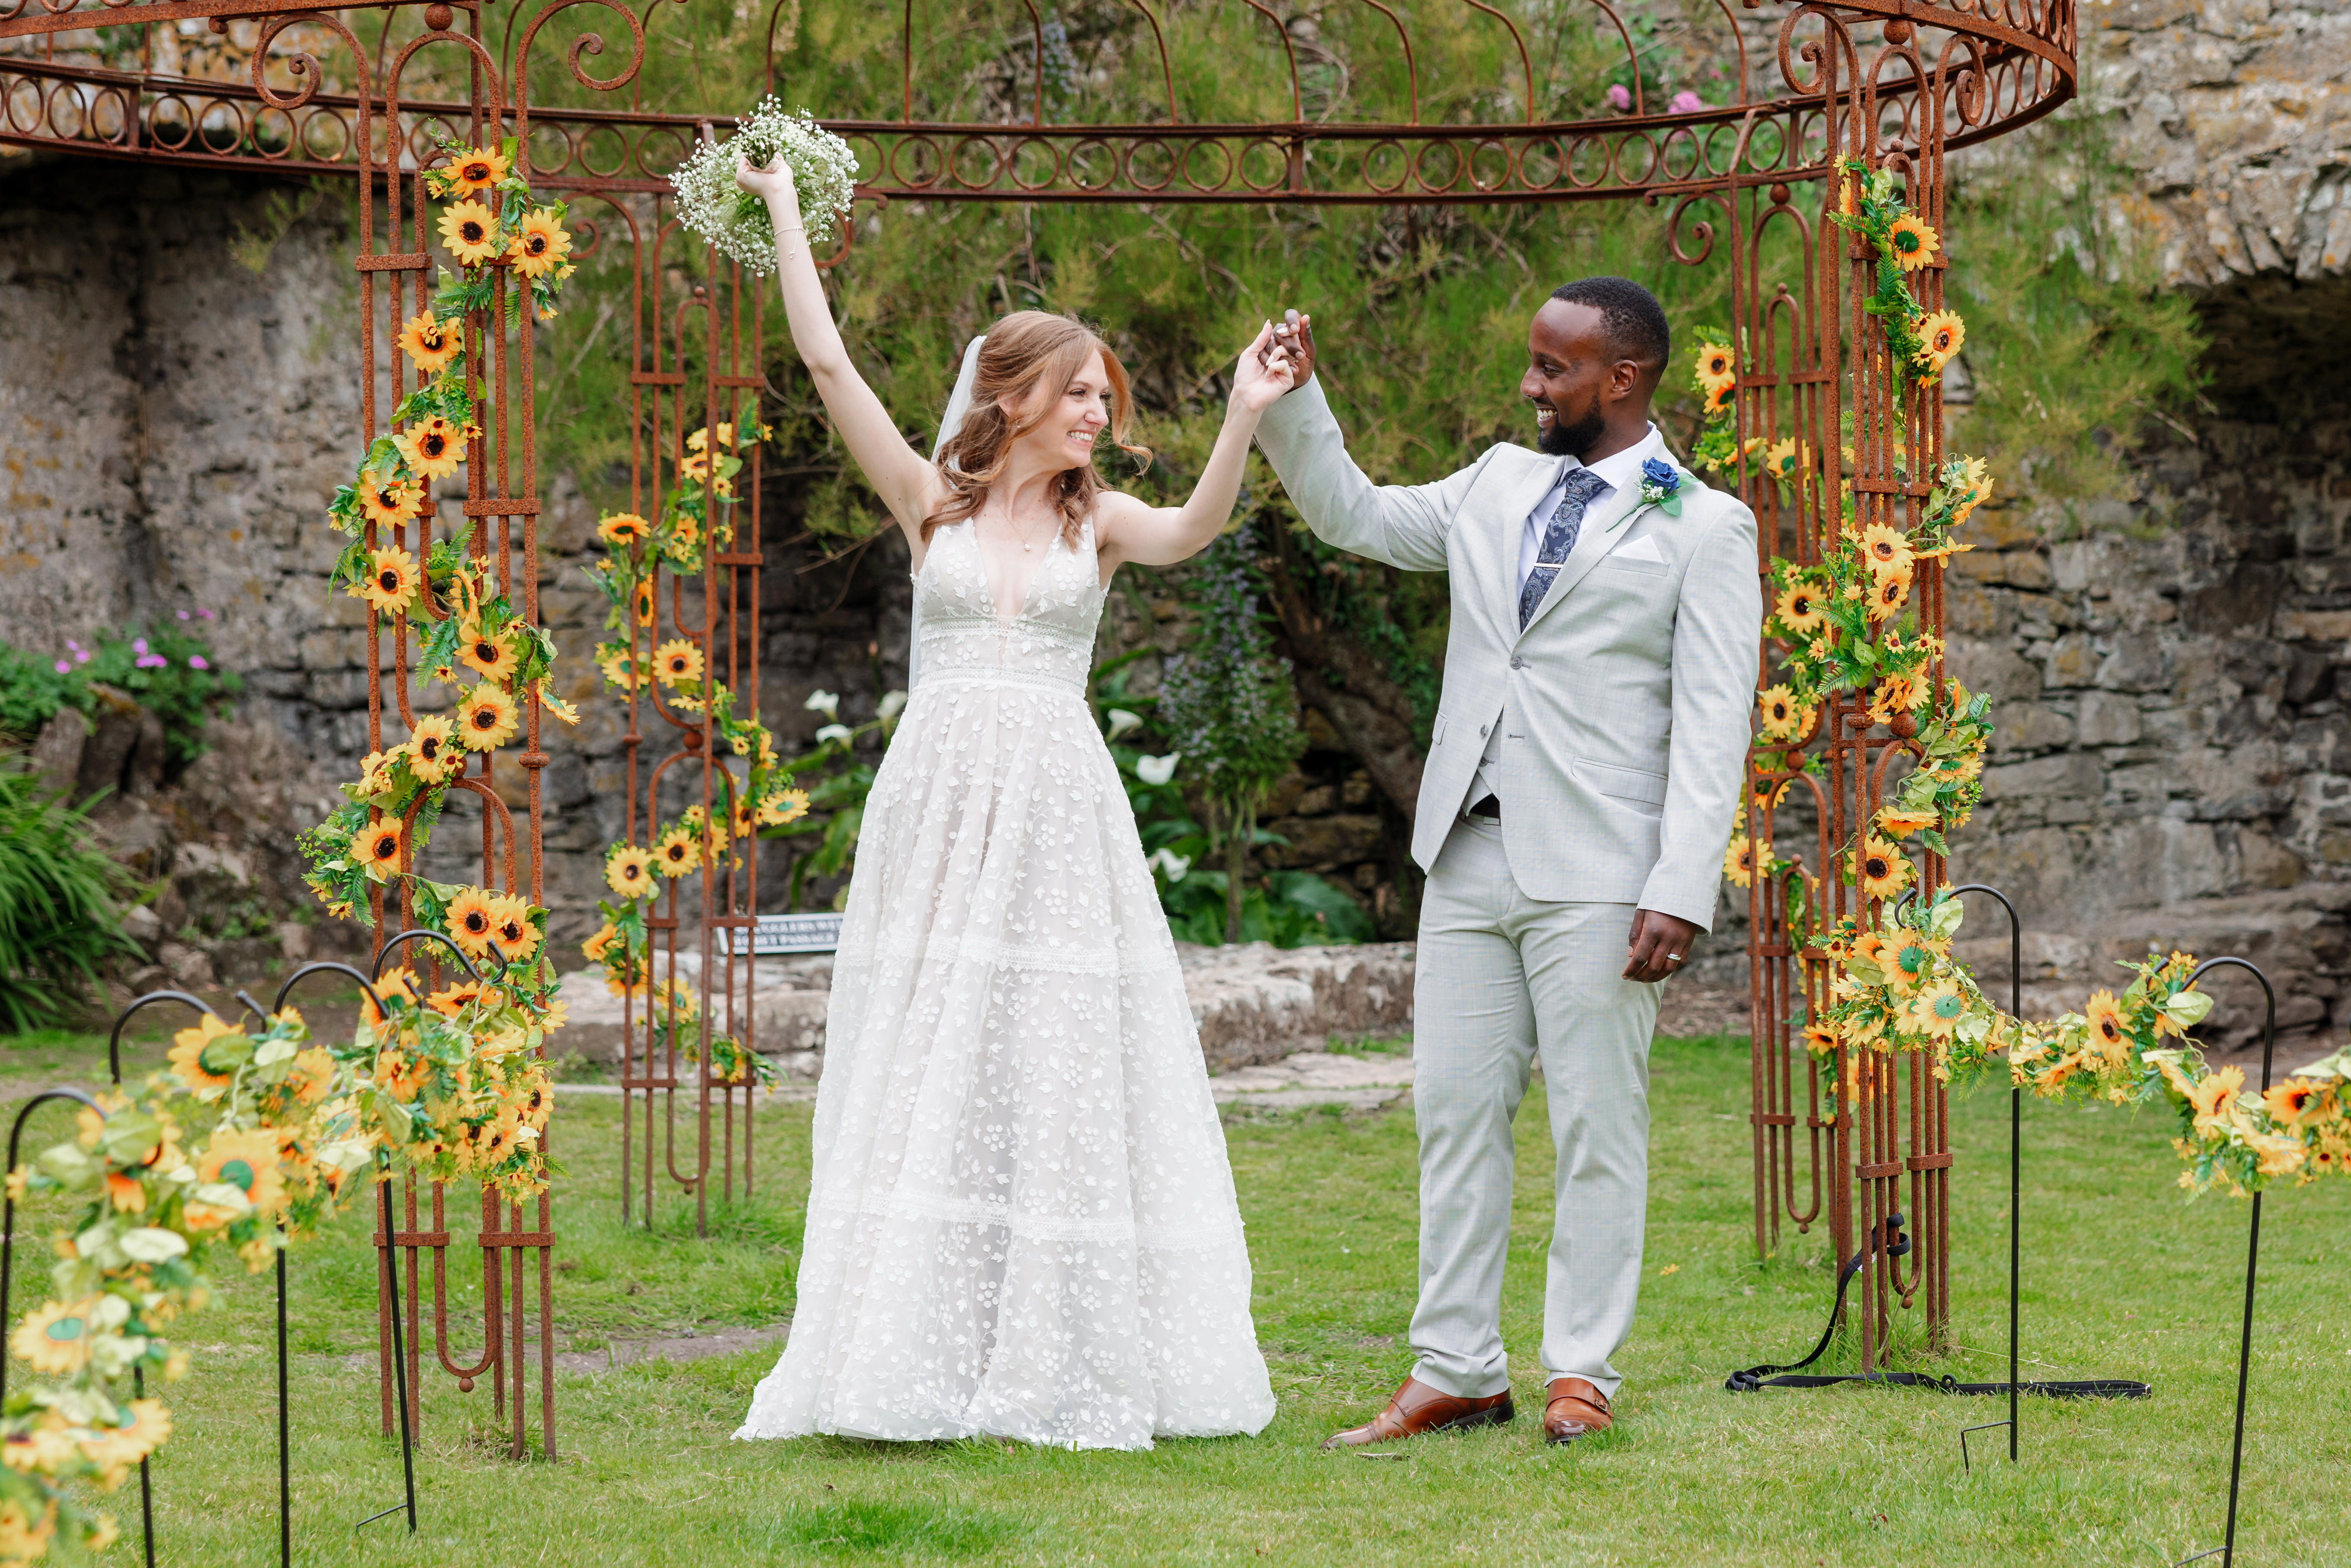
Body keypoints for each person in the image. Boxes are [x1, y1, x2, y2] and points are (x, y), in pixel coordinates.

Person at [729, 152, 1290, 1449]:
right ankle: (911, 1337)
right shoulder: (933, 505)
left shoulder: (1103, 524)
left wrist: (1245, 412)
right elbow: (825, 364)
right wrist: (775, 204)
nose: (1097, 411)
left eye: (1105, 396)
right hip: (936, 800)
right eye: (1079, 392)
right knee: (928, 1045)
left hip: (1052, 807)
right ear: (1015, 396)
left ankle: (1052, 1339)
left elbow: (1199, 526)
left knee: (1049, 1057)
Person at [1255, 281, 1759, 1447]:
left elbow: (1712, 720)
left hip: (1600, 872)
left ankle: (1581, 1370)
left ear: (1621, 378)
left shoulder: (1702, 524)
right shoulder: (1489, 482)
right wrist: (1294, 400)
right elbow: (1355, 516)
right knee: (1453, 1114)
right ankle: (1455, 1366)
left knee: (1596, 1124)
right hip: (1466, 856)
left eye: (1551, 369)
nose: (1528, 387)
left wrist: (1679, 885)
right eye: (1531, 364)